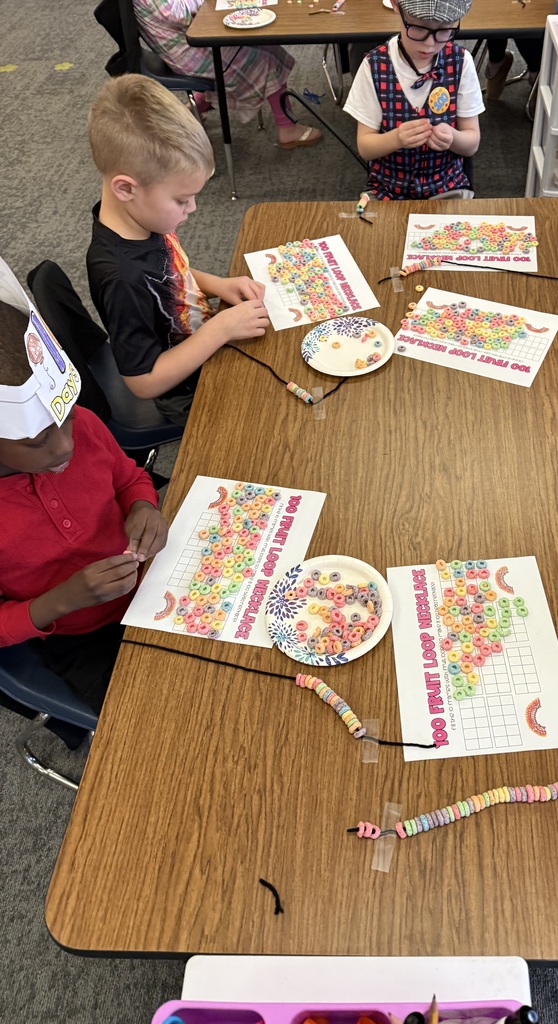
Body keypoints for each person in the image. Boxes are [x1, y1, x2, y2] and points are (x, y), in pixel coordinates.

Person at [0, 258, 169, 716]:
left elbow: (130, 476)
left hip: (153, 581)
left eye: (68, 416)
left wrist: (142, 505)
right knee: (166, 719)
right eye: (37, 442)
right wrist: (60, 601)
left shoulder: (84, 426)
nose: (65, 446)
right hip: (81, 636)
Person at [87, 74, 271, 426]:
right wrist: (220, 330)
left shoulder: (141, 219)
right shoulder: (123, 278)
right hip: (188, 392)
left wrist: (216, 284)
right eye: (182, 199)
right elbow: (143, 382)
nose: (194, 209)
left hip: (202, 340)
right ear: (126, 188)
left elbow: (167, 272)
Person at [343, 0, 484, 200]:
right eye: (418, 28)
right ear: (395, 6)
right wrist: (396, 139)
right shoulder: (374, 66)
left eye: (444, 31)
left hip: (447, 188)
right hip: (387, 191)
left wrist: (452, 138)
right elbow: (365, 148)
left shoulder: (461, 62)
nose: (429, 44)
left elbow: (472, 143)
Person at [133, 0, 322, 148]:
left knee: (263, 40)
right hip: (189, 50)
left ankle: (199, 104)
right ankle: (287, 128)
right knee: (266, 57)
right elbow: (178, 13)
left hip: (186, 39)